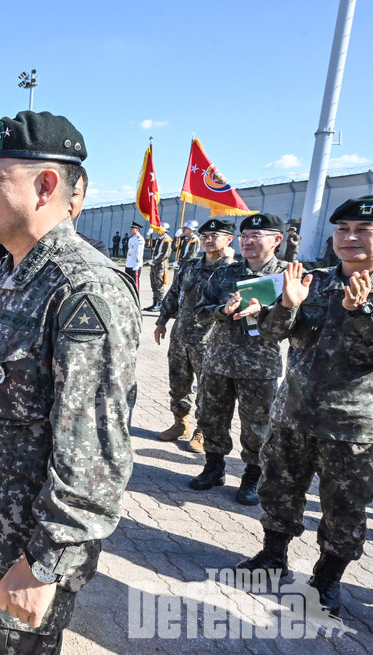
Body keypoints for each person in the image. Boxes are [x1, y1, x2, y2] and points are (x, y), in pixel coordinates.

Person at [0, 111, 139, 654]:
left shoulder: (83, 292)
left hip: (21, 551)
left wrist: (45, 564)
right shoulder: (11, 271)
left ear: (46, 185)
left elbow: (96, 454)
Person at [236, 196, 373, 618]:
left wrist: (360, 314)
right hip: (292, 415)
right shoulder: (312, 280)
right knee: (280, 492)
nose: (349, 238)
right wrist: (286, 306)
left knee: (343, 510)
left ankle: (327, 580)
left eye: (362, 230)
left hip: (350, 428)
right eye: (342, 229)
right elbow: (273, 333)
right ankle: (272, 556)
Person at [189, 212, 288, 505]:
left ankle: (252, 475)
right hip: (219, 360)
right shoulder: (225, 273)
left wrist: (267, 313)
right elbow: (200, 309)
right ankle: (214, 467)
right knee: (212, 417)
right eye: (244, 236)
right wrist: (223, 310)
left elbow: (298, 320)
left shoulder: (287, 276)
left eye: (256, 236)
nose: (248, 241)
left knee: (257, 425)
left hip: (260, 366)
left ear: (277, 240)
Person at [0, 168, 103, 308]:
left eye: (73, 194)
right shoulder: (7, 244)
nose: (64, 199)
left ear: (83, 199)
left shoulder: (92, 253)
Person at [153, 219, 235, 452]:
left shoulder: (231, 270)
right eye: (205, 236)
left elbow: (230, 299)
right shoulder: (190, 266)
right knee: (178, 383)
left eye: (214, 236)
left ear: (229, 240)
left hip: (209, 339)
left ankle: (202, 431)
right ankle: (180, 423)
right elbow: (174, 293)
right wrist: (162, 321)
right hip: (181, 335)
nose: (208, 240)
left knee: (207, 388)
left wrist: (227, 260)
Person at [145, 222, 173, 311]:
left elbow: (165, 254)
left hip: (160, 265)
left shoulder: (167, 240)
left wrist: (154, 261)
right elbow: (148, 245)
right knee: (153, 284)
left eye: (159, 230)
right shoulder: (158, 239)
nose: (157, 231)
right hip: (154, 264)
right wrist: (148, 236)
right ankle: (154, 303)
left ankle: (159, 304)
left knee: (159, 284)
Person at [125, 221, 145, 292]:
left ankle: (136, 296)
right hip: (129, 263)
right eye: (131, 228)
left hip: (135, 264)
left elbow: (139, 252)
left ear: (137, 229)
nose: (131, 230)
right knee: (127, 281)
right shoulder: (131, 239)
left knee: (135, 282)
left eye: (133, 228)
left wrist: (137, 263)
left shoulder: (139, 239)